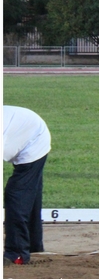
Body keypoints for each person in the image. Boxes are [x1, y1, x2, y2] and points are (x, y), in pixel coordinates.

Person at [3, 105, 51, 265]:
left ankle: (17, 253)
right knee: (29, 194)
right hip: (21, 130)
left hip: (35, 139)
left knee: (16, 194)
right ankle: (32, 244)